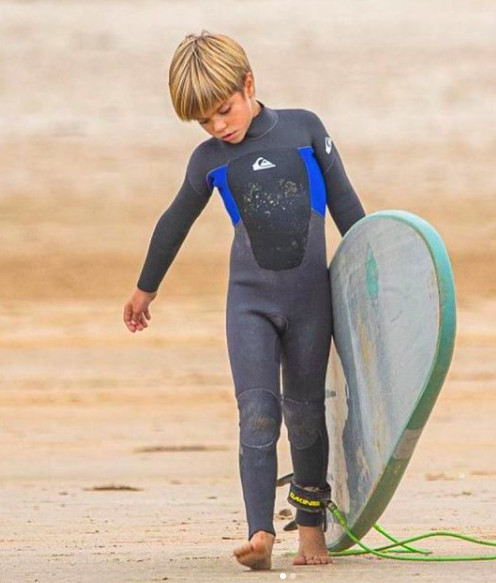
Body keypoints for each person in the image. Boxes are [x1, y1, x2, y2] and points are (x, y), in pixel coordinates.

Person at [122, 31, 365, 570]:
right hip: (249, 303)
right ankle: (259, 534)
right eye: (204, 121)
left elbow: (347, 205)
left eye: (223, 111)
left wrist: (378, 275)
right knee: (257, 413)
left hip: (310, 304)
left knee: (305, 417)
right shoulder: (209, 158)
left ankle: (310, 532)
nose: (218, 127)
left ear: (248, 84)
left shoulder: (305, 128)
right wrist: (146, 287)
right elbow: (174, 222)